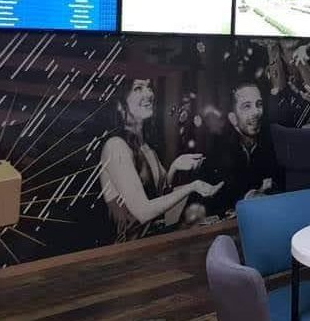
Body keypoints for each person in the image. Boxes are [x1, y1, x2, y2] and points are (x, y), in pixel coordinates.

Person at [100, 78, 224, 242]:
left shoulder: (146, 147)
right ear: (119, 104)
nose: (148, 94)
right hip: (130, 250)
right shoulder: (115, 146)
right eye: (138, 88)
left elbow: (159, 198)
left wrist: (175, 167)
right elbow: (143, 212)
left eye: (149, 87)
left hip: (153, 241)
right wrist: (192, 187)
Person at [204, 82, 279, 217]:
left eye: (259, 104)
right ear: (233, 118)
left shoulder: (269, 141)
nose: (256, 112)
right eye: (247, 106)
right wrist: (254, 195)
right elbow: (220, 202)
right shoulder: (219, 153)